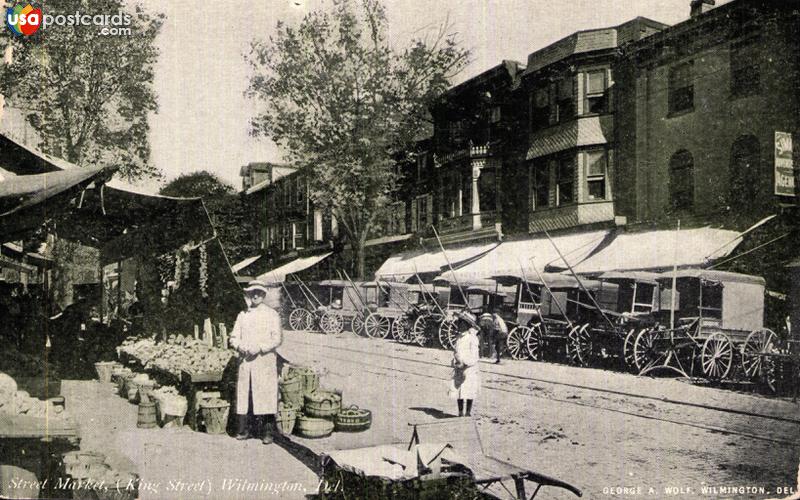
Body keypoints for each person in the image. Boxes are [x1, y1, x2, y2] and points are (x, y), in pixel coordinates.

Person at [229, 280, 283, 444]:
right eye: (253, 293)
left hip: (264, 361)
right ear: (249, 295)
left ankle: (267, 433)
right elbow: (233, 337)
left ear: (264, 295)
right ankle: (245, 430)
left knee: (265, 396)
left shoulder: (271, 314)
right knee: (247, 396)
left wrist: (260, 348)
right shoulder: (243, 315)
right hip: (246, 361)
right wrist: (240, 346)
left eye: (259, 292)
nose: (256, 295)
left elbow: (277, 339)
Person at [449, 311, 481, 417]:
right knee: (459, 390)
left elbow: (475, 356)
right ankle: (460, 411)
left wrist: (465, 363)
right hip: (459, 367)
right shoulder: (459, 338)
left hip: (469, 368)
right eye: (459, 323)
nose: (459, 325)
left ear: (467, 325)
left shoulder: (472, 338)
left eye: (461, 323)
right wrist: (456, 361)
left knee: (469, 390)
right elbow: (456, 352)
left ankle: (468, 412)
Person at [479, 299, 508, 364]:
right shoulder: (498, 318)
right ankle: (497, 358)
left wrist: (494, 335)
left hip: (501, 333)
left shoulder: (496, 319)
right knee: (496, 345)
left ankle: (497, 358)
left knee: (496, 345)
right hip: (502, 332)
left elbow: (497, 327)